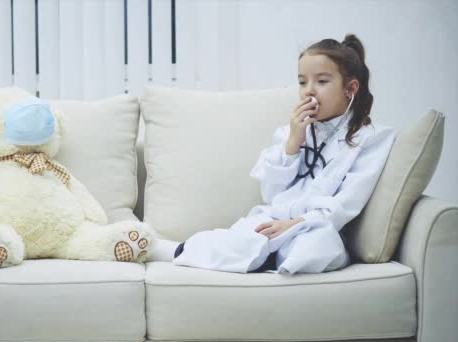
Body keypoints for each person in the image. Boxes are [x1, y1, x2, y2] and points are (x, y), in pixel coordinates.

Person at [149, 34, 395, 274]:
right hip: (274, 220)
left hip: (316, 227)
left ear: (350, 89)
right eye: (302, 82)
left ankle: (259, 259)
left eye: (321, 81)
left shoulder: (371, 138)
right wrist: (293, 142)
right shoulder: (292, 131)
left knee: (315, 248)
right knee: (249, 235)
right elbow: (271, 193)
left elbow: (346, 204)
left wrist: (295, 225)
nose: (309, 91)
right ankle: (176, 250)